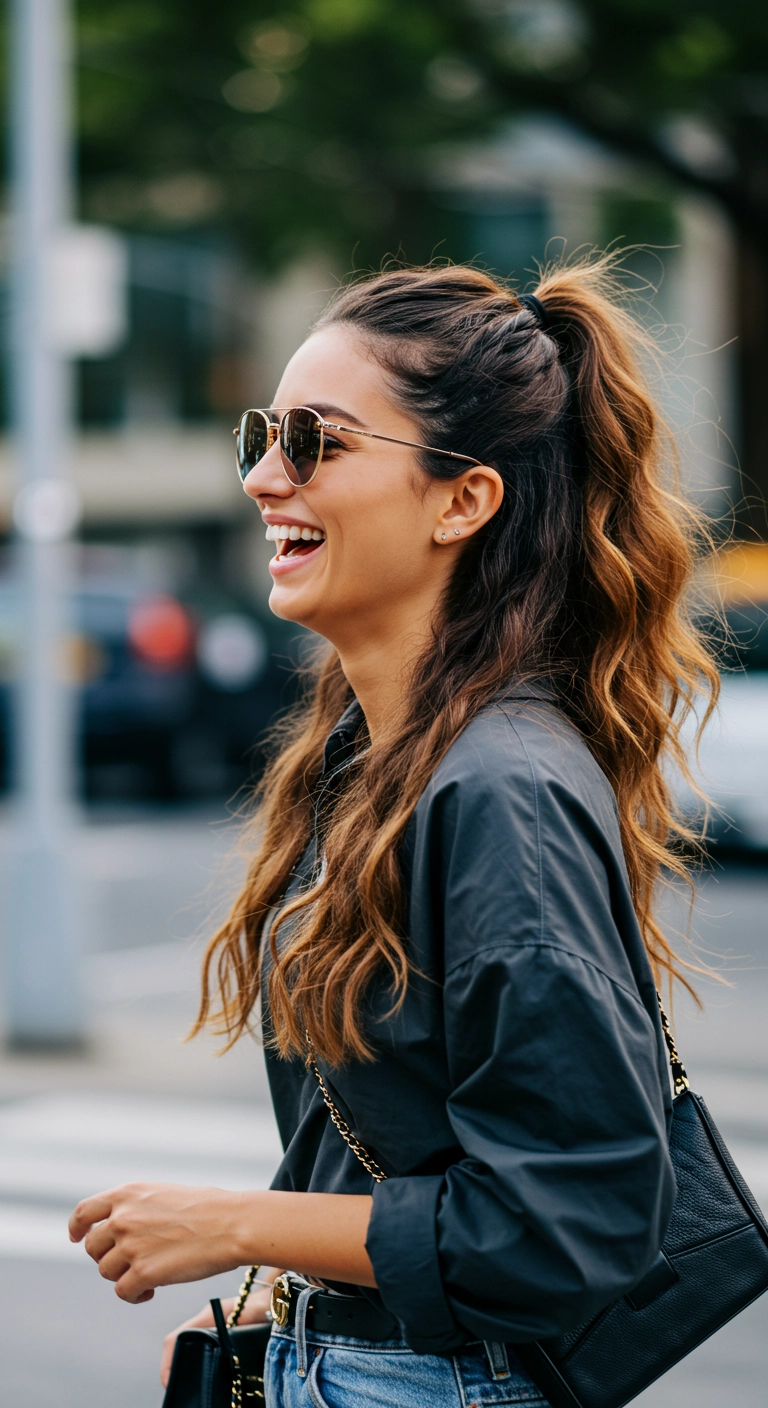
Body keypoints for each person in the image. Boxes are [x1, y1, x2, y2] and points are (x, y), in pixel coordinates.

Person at [69, 256, 718, 1408]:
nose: (267, 476)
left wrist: (236, 1222)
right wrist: (286, 1297)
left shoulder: (499, 790)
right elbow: (414, 1125)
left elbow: (576, 1220)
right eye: (262, 435)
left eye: (316, 441)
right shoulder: (383, 757)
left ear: (462, 500)